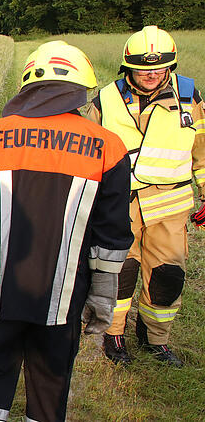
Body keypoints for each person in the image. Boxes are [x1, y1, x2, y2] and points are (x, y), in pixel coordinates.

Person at [0, 41, 133, 421]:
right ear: (81, 91)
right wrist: (103, 295)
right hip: (64, 299)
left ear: (28, 86)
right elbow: (111, 232)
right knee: (50, 380)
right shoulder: (108, 148)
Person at [87, 26, 205, 367]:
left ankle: (155, 338)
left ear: (171, 66)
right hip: (119, 208)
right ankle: (115, 335)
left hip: (170, 208)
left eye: (159, 66)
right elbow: (88, 155)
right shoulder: (105, 100)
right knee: (120, 272)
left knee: (167, 276)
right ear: (128, 67)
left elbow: (202, 148)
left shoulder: (189, 97)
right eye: (143, 67)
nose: (151, 73)